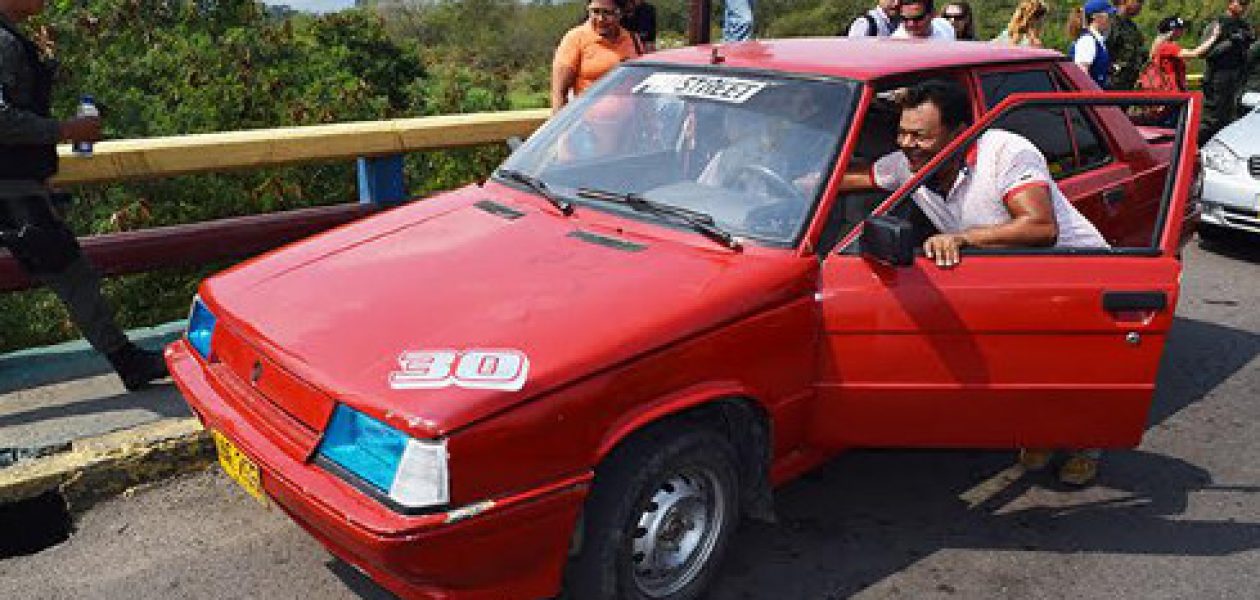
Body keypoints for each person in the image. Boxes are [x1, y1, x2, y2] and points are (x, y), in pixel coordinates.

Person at [841, 79, 1109, 484]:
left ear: (960, 132)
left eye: (921, 136)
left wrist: (964, 238)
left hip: (1077, 272)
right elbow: (851, 179)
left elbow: (1040, 227)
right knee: (1022, 364)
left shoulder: (1006, 151)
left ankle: (1086, 442)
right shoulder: (907, 164)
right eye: (902, 133)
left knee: (1067, 371)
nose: (907, 144)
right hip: (1009, 276)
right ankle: (1043, 432)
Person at [0, 0, 167, 391]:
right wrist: (68, 130)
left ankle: (128, 361)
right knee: (69, 271)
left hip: (18, 181)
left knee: (69, 271)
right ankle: (129, 362)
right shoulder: (4, 42)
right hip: (9, 186)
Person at [551, 0, 642, 114]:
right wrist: (561, 130)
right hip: (586, 126)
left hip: (628, 124)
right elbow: (559, 93)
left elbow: (643, 88)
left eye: (607, 13)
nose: (600, 18)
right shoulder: (575, 38)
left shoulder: (633, 39)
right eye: (595, 11)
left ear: (620, 13)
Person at [1201, 0, 1254, 140]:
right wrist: (1230, 42)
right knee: (1212, 120)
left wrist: (1245, 41)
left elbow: (1249, 52)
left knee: (1232, 119)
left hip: (1237, 77)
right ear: (1230, 3)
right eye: (1241, 3)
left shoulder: (1244, 25)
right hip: (1218, 77)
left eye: (1246, 4)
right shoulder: (1217, 25)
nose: (1244, 7)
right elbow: (1205, 53)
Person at [1147, 16, 1218, 93]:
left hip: (1168, 91)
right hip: (1171, 92)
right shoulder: (1167, 46)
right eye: (1180, 29)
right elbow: (1194, 53)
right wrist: (1213, 37)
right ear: (1173, 31)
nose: (1183, 31)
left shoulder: (1162, 46)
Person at [1068, 0, 1117, 89]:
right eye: (1108, 15)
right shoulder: (1087, 41)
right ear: (1095, 17)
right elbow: (1081, 76)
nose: (1111, 19)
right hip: (1090, 99)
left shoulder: (1097, 40)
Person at [1105, 0, 1146, 91]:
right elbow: (1102, 51)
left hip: (1127, 84)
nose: (1141, 5)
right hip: (1111, 85)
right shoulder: (1109, 23)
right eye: (1138, 1)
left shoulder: (1132, 27)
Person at [892, 0, 956, 40]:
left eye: (917, 18)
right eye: (905, 18)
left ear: (933, 14)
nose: (911, 24)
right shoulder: (898, 42)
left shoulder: (945, 26)